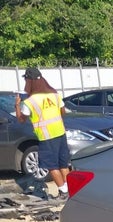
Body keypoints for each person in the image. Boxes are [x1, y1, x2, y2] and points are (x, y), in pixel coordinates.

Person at [15, 67, 71, 198]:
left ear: (30, 81)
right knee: (63, 164)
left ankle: (63, 191)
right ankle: (71, 190)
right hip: (60, 133)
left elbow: (21, 119)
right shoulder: (55, 95)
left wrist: (17, 105)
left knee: (52, 166)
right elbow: (63, 111)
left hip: (47, 136)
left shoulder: (30, 101)